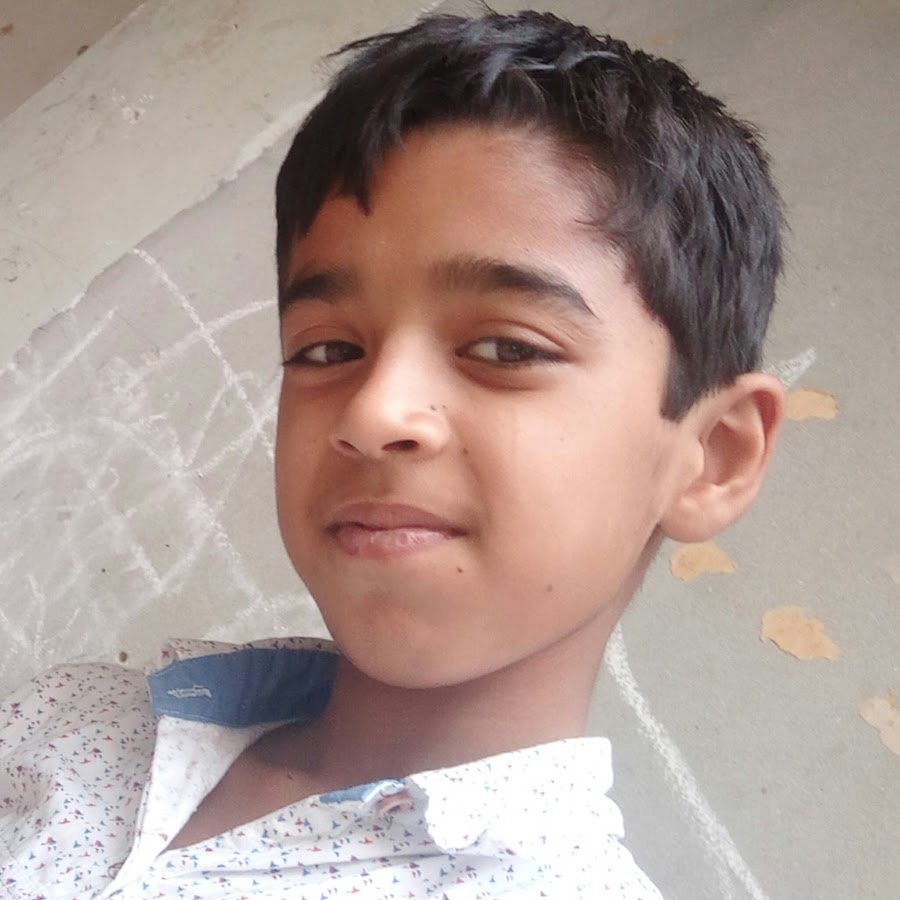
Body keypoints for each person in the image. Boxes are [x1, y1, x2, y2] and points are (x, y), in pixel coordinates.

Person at [0, 9, 786, 898]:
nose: (372, 411)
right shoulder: (78, 721)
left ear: (713, 457)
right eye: (328, 349)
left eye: (506, 348)